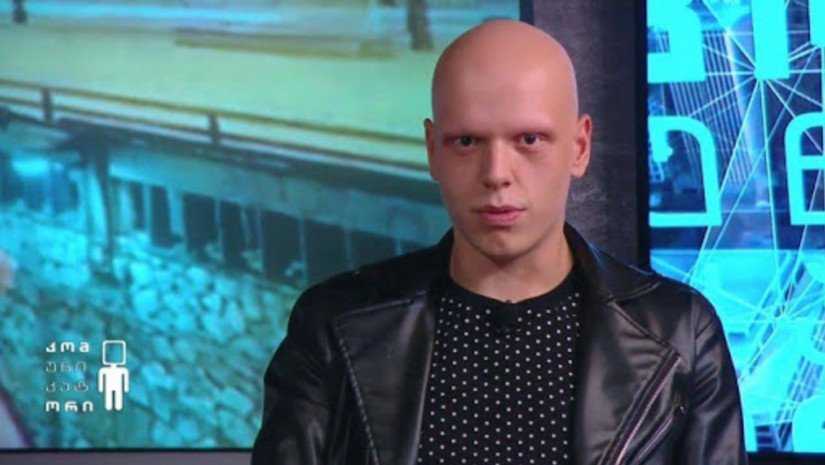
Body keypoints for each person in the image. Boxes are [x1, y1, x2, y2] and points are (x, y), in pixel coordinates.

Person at [251, 20, 747, 465]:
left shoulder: (682, 333)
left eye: (529, 140)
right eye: (467, 142)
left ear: (579, 148)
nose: (496, 174)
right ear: (432, 150)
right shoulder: (333, 327)